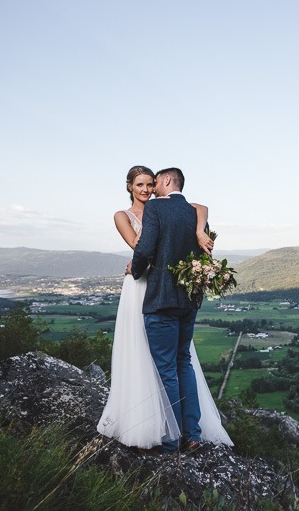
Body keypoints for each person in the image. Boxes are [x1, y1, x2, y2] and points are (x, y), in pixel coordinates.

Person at [96, 165, 232, 451]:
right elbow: (138, 244)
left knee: (171, 365)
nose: (146, 190)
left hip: (158, 290)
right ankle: (182, 430)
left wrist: (196, 228)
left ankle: (173, 437)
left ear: (161, 183)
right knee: (169, 360)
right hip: (153, 289)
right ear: (130, 187)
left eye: (150, 184)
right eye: (141, 185)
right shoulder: (130, 214)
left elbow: (147, 248)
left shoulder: (163, 208)